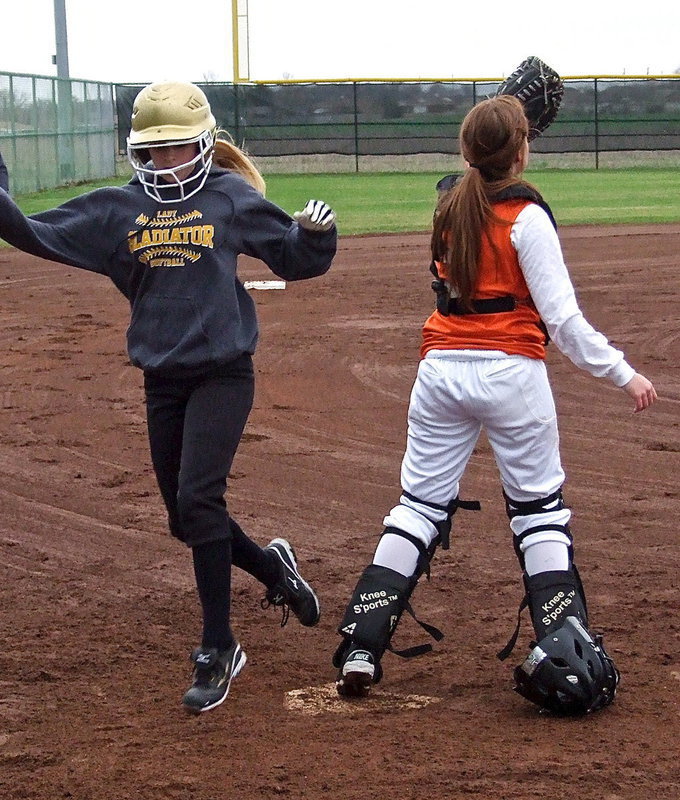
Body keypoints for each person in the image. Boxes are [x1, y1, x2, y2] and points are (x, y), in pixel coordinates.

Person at [0, 81, 338, 714]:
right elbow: (28, 231)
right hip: (163, 379)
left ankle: (218, 646)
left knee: (199, 498)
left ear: (205, 146)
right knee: (186, 520)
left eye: (177, 149)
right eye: (152, 153)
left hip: (223, 373)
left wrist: (316, 235)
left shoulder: (230, 198)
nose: (164, 163)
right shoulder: (116, 212)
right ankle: (273, 571)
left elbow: (294, 259)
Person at [332, 94, 657, 716]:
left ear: (465, 150)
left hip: (440, 370)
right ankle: (563, 643)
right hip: (511, 373)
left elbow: (469, 180)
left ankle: (360, 646)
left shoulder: (449, 205)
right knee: (539, 513)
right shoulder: (526, 218)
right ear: (523, 151)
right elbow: (562, 322)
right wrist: (624, 373)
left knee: (418, 506)